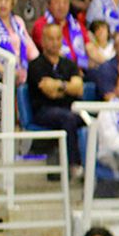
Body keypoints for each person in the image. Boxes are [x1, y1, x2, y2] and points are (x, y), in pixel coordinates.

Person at [26, 22, 87, 173]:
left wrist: (59, 85)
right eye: (50, 39)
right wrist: (68, 87)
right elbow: (48, 92)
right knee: (68, 118)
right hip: (44, 110)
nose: (54, 42)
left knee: (92, 118)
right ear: (43, 41)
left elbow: (78, 89)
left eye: (57, 38)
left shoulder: (70, 64)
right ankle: (75, 164)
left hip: (70, 108)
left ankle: (94, 166)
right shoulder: (35, 65)